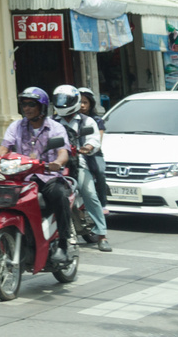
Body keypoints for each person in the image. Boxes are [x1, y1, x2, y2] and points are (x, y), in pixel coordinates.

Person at [0, 86, 74, 267]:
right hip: (22, 177)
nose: (26, 108)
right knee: (0, 197)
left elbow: (63, 152)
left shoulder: (55, 127)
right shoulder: (16, 126)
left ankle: (63, 244)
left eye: (31, 104)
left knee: (60, 194)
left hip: (47, 176)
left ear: (42, 108)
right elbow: (4, 148)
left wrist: (58, 163)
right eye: (24, 104)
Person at [52, 84, 110, 252]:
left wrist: (89, 147)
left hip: (79, 163)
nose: (62, 103)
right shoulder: (52, 122)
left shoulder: (87, 120)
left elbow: (94, 139)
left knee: (90, 194)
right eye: (59, 100)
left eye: (66, 100)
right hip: (56, 165)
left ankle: (102, 235)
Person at [78, 87, 111, 210]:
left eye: (85, 102)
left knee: (100, 172)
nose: (82, 105)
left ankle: (102, 204)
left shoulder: (97, 120)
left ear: (91, 104)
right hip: (74, 154)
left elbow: (98, 141)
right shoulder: (68, 119)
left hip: (93, 154)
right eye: (79, 102)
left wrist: (88, 148)